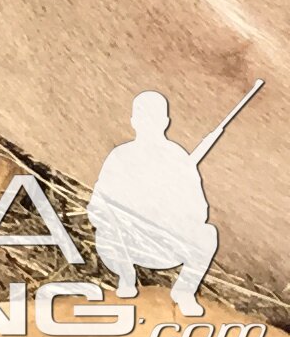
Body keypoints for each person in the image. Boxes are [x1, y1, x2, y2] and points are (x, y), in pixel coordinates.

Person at [94, 92, 221, 314]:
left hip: (166, 246)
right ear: (134, 122)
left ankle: (184, 291)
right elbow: (97, 204)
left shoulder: (178, 158)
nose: (149, 124)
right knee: (106, 229)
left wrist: (170, 211)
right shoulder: (120, 156)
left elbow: (199, 210)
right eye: (144, 118)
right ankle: (126, 278)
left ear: (165, 122)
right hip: (125, 244)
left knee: (208, 234)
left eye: (153, 119)